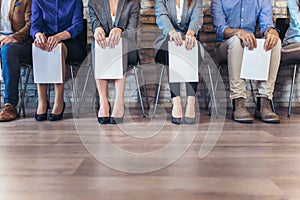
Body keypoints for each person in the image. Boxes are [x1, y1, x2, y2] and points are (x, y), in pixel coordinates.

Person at [212, 0, 281, 123]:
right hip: (224, 46)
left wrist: (272, 32)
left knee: (275, 42)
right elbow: (220, 28)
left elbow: (267, 25)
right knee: (235, 41)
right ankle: (238, 101)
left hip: (249, 46)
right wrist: (238, 32)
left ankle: (264, 100)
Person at [30, 0, 85, 121]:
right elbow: (35, 25)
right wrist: (38, 35)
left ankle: (59, 100)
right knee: (39, 47)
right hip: (47, 40)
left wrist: (58, 37)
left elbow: (77, 25)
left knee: (56, 48)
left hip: (70, 42)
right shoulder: (37, 1)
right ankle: (42, 101)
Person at [88, 0, 140, 124]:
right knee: (97, 45)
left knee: (119, 45)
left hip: (128, 48)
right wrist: (98, 29)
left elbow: (132, 31)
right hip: (104, 48)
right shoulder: (94, 2)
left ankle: (119, 101)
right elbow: (95, 24)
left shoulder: (132, 2)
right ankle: (103, 101)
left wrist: (120, 30)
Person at [154, 0, 203, 125]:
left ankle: (191, 100)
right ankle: (175, 100)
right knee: (173, 50)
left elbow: (197, 17)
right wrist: (171, 32)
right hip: (167, 40)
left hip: (189, 40)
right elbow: (161, 16)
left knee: (191, 48)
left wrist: (191, 32)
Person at [0, 0, 32, 122]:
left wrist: (14, 38)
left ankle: (10, 105)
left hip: (19, 44)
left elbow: (31, 25)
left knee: (7, 50)